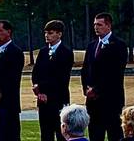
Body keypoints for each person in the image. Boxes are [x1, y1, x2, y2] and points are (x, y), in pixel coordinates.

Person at [80, 13, 127, 141]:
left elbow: (115, 73)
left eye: (99, 25)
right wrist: (86, 89)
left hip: (111, 99)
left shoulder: (119, 45)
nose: (96, 27)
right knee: (95, 134)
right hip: (93, 102)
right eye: (95, 24)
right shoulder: (91, 46)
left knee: (114, 134)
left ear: (108, 25)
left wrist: (96, 90)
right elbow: (85, 70)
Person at [33, 20, 74, 141]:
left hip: (58, 99)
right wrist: (37, 88)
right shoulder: (43, 52)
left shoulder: (66, 53)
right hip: (43, 100)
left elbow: (61, 77)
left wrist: (44, 89)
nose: (47, 35)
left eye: (50, 33)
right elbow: (36, 72)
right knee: (45, 133)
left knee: (61, 132)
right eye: (45, 33)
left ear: (59, 34)